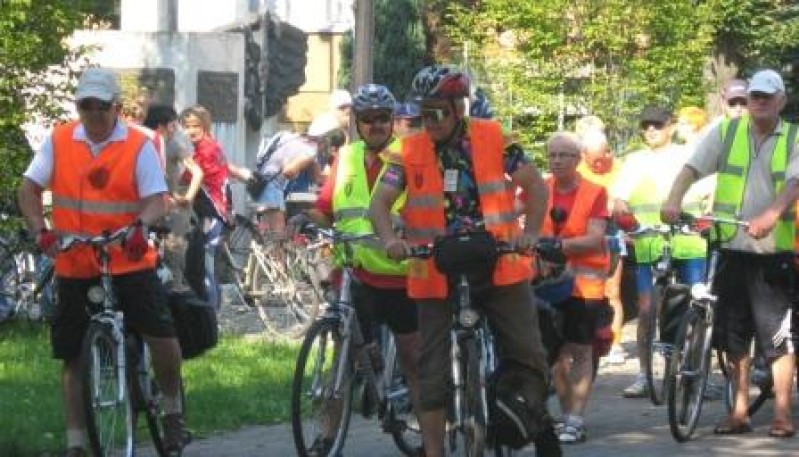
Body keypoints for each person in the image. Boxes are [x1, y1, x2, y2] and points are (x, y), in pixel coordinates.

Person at [368, 65, 559, 457]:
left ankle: (540, 427)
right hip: (434, 268)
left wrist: (531, 235)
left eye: (438, 113)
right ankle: (434, 451)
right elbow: (379, 205)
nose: (431, 122)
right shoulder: (407, 150)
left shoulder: (494, 138)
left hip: (500, 262)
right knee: (431, 369)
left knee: (528, 352)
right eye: (424, 114)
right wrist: (390, 241)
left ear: (459, 108)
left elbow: (536, 188)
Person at [17, 67, 187, 456]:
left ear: (117, 108)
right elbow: (29, 189)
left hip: (128, 259)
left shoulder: (137, 144)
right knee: (73, 355)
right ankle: (76, 442)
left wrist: (140, 227)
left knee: (161, 337)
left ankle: (173, 412)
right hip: (75, 261)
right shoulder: (60, 140)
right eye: (86, 105)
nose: (93, 113)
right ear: (78, 106)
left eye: (101, 106)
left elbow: (156, 199)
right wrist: (40, 230)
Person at [662, 69, 798, 438]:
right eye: (755, 95)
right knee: (733, 337)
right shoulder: (727, 131)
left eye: (767, 96)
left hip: (772, 252)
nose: (759, 101)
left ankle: (782, 413)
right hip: (731, 248)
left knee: (777, 339)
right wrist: (674, 199)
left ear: (782, 101)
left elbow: (794, 183)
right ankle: (738, 411)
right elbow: (691, 168)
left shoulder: (794, 137)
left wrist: (771, 215)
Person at [293, 83, 421, 453]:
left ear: (392, 120)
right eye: (368, 119)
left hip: (398, 274)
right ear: (357, 123)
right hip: (353, 272)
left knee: (412, 356)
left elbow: (423, 209)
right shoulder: (346, 157)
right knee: (343, 357)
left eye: (382, 118)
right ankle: (327, 435)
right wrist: (306, 218)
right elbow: (327, 209)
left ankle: (430, 432)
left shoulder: (408, 157)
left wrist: (408, 230)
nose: (376, 125)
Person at [612, 105, 709, 398]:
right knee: (646, 311)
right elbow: (619, 200)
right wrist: (625, 220)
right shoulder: (634, 161)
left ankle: (694, 373)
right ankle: (644, 375)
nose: (651, 130)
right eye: (646, 125)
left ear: (671, 127)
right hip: (650, 244)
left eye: (657, 124)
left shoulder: (688, 155)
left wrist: (705, 219)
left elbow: (709, 192)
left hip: (689, 244)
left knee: (695, 308)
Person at [542, 132, 611, 444]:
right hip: (547, 284)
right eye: (552, 155)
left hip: (584, 286)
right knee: (553, 354)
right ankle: (568, 414)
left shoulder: (595, 192)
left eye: (564, 155)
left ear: (578, 159)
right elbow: (513, 217)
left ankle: (575, 419)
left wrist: (558, 247)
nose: (557, 161)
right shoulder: (539, 190)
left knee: (580, 350)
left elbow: (595, 238)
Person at [178, 105, 237, 310]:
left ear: (205, 126)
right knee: (204, 265)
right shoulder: (212, 145)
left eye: (196, 126)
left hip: (213, 212)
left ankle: (210, 313)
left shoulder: (205, 149)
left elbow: (189, 177)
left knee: (205, 267)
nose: (190, 131)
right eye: (186, 126)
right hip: (218, 210)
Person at [577, 130, 626, 365]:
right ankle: (587, 340)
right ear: (583, 155)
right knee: (584, 290)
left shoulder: (619, 169)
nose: (598, 164)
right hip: (585, 233)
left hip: (612, 233)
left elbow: (623, 199)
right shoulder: (577, 170)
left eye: (602, 157)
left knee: (612, 291)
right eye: (593, 159)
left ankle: (615, 342)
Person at [252, 112, 344, 234]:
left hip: (261, 182)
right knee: (278, 234)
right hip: (272, 188)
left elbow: (316, 177)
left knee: (269, 233)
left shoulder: (293, 138)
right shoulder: (310, 151)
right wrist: (295, 174)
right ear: (325, 140)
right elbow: (289, 171)